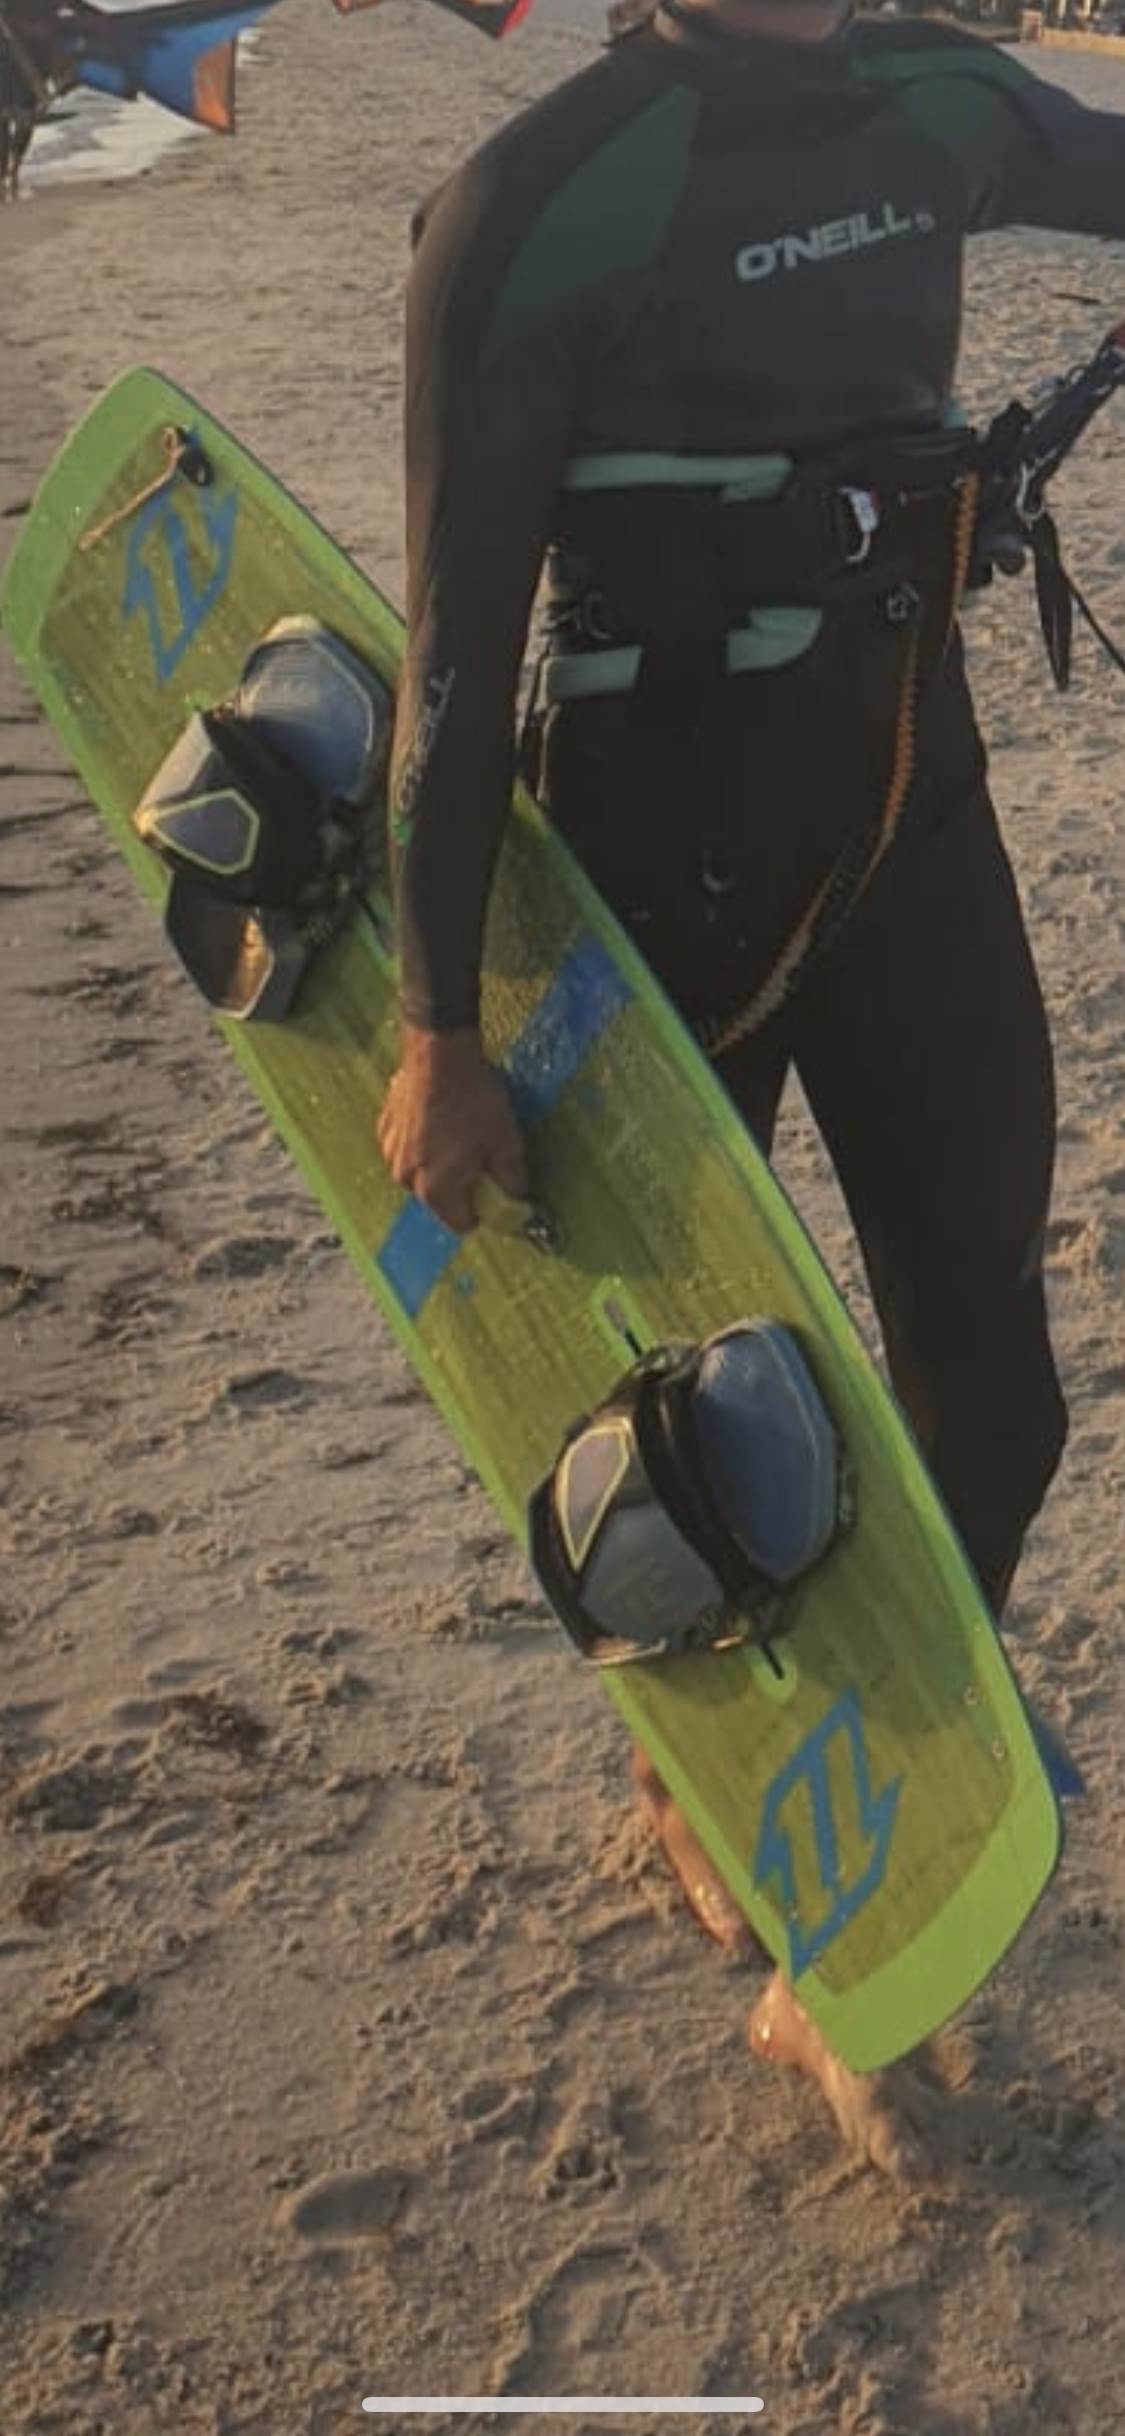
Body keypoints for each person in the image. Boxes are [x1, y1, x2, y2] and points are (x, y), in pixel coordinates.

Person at [377, 0, 1125, 2176]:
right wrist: (436, 1027)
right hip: (643, 879)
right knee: (690, 1416)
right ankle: (696, 1781)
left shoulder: (929, 101)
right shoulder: (530, 203)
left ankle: (837, 1856)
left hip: (906, 822)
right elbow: (453, 657)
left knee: (996, 1395)